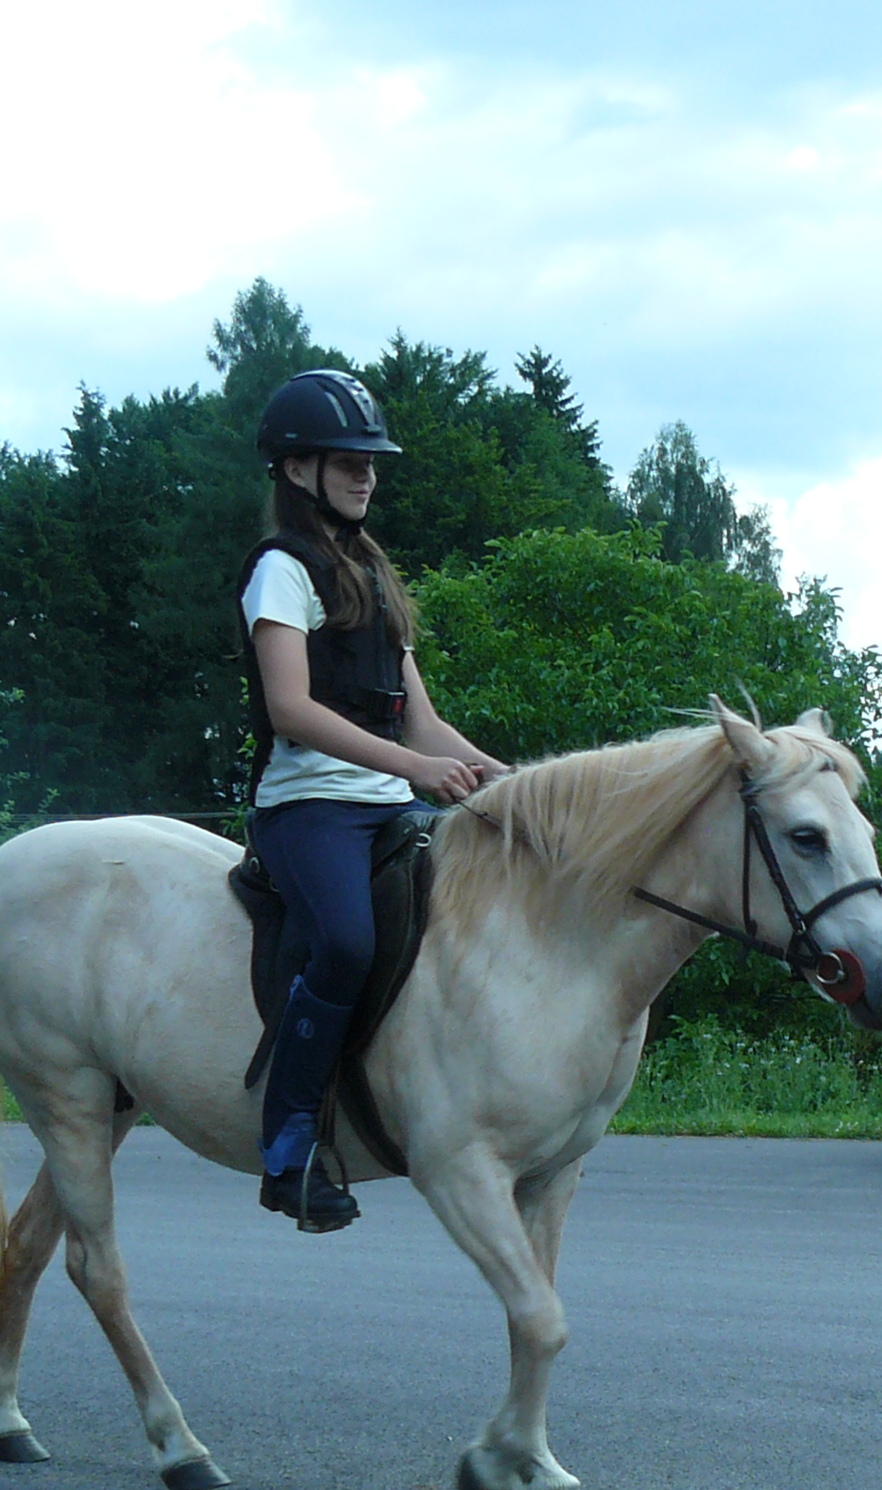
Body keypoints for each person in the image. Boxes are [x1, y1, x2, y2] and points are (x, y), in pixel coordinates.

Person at [239, 368, 508, 1231]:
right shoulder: (280, 570)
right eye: (347, 460)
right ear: (296, 469)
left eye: (371, 461)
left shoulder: (375, 577)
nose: (366, 475)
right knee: (348, 942)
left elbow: (421, 724)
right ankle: (287, 1150)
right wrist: (408, 768)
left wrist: (504, 778)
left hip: (389, 804)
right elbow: (291, 708)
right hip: (308, 808)